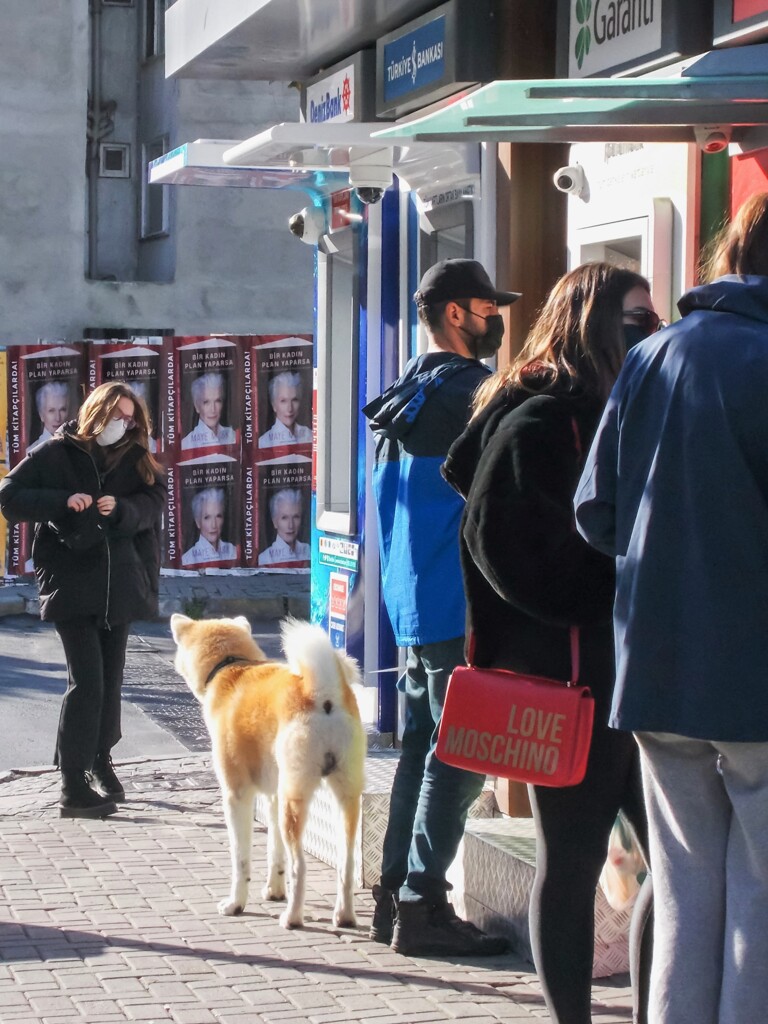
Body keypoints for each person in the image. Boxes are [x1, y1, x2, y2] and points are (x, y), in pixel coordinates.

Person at [443, 262, 657, 1024]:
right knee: (571, 862)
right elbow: (496, 539)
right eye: (638, 321)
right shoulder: (545, 418)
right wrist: (605, 586)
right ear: (595, 327)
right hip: (576, 684)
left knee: (669, 864)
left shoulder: (609, 408)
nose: (653, 333)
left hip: (630, 677)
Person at [574, 194, 768, 1024]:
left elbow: (595, 512)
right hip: (754, 677)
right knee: (760, 894)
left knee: (685, 885)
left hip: (655, 667)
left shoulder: (653, 355)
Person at [362, 258, 520, 957]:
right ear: (456, 313)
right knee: (461, 756)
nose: (497, 320)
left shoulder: (404, 392)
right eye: (489, 308)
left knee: (422, 750)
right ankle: (423, 905)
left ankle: (392, 896)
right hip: (459, 602)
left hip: (413, 603)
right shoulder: (475, 393)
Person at [0, 381, 166, 819]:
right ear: (96, 412)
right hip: (72, 583)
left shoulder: (135, 455)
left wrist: (123, 510)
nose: (123, 425)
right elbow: (9, 496)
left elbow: (154, 502)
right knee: (87, 681)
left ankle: (100, 760)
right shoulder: (57, 452)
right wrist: (63, 501)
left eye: (130, 419)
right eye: (117, 416)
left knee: (110, 681)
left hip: (122, 583)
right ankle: (72, 784)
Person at [181, 487, 238, 566]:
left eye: (218, 516)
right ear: (198, 522)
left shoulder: (233, 552)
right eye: (207, 517)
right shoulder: (187, 559)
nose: (213, 525)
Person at [181, 372, 237, 450]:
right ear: (197, 406)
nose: (213, 409)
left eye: (218, 401)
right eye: (206, 402)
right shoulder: (186, 444)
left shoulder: (233, 436)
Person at [258, 371, 312, 448]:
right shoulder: (263, 443)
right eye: (283, 401)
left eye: (294, 400)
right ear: (274, 405)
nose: (290, 408)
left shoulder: (310, 435)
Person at [257, 488, 310, 566]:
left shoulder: (309, 550)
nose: (291, 525)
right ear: (275, 522)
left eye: (296, 517)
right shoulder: (265, 558)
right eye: (284, 518)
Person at [27, 380, 71, 453]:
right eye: (51, 411)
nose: (58, 418)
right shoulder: (30, 453)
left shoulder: (77, 447)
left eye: (62, 410)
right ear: (41, 414)